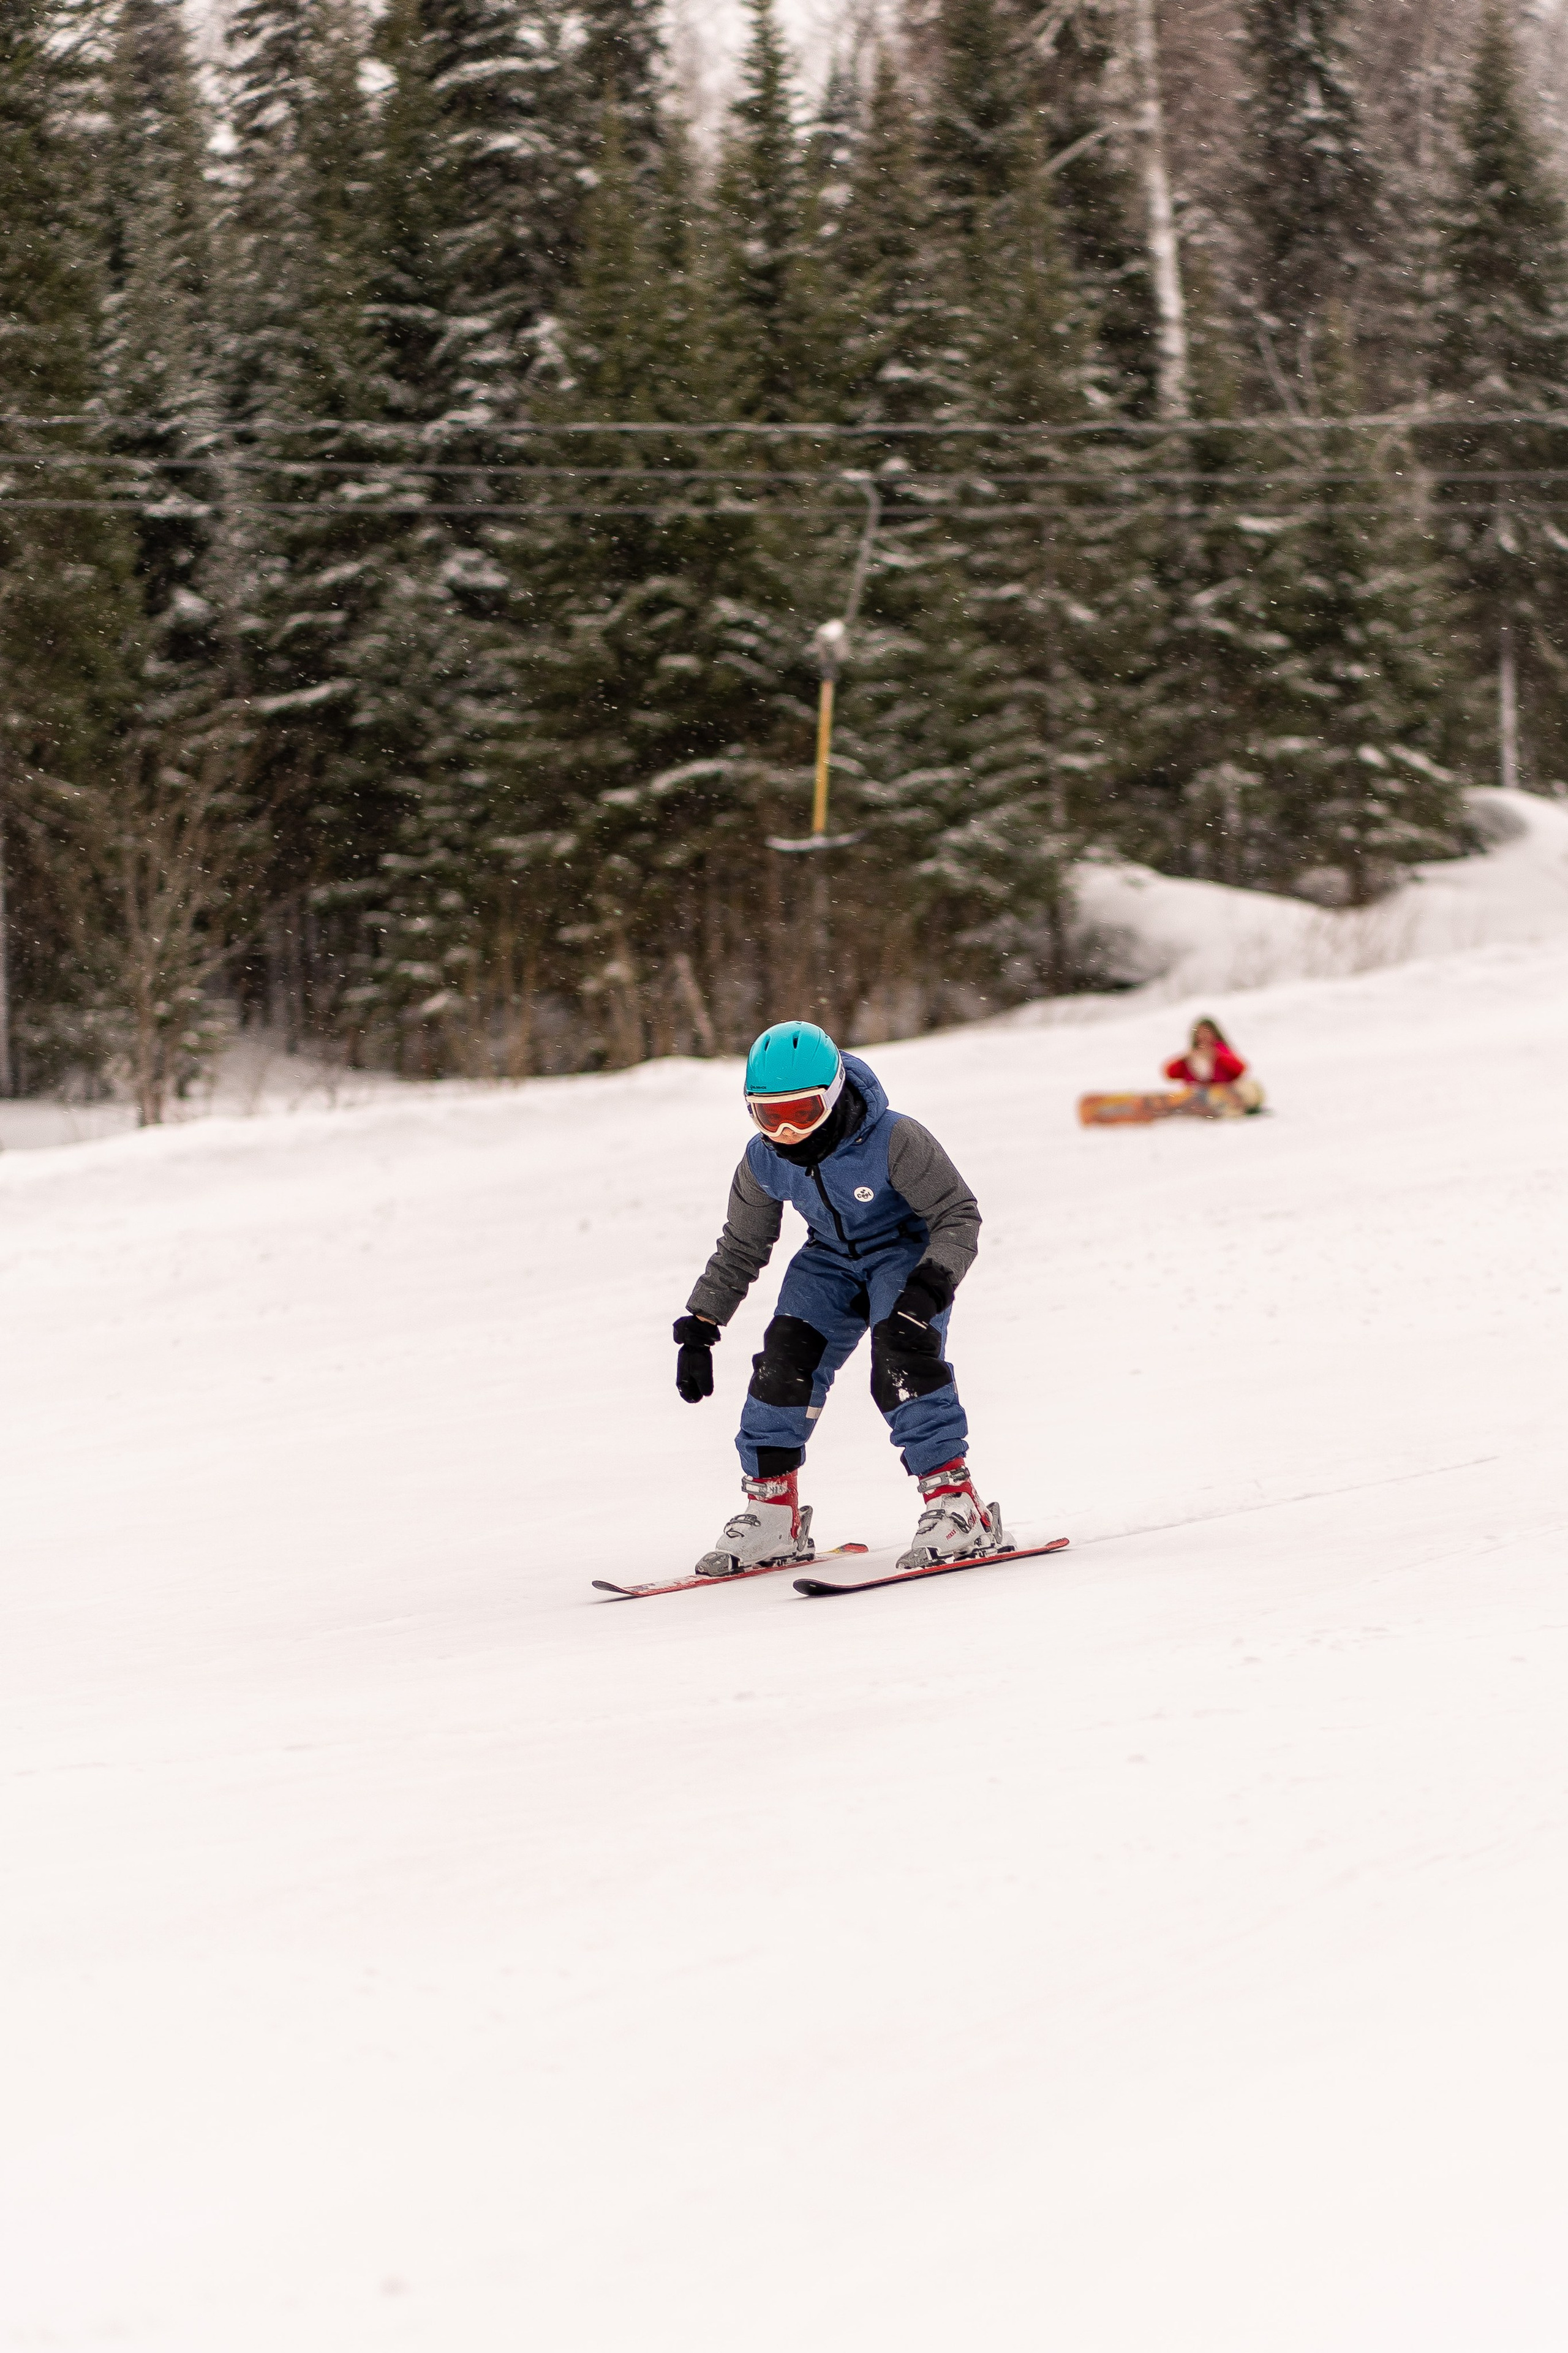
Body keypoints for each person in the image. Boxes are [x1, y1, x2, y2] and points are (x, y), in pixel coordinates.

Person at [674, 1020, 995, 1577]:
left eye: (804, 1111)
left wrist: (931, 1282)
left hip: (904, 1255)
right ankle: (773, 1511)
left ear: (836, 1093)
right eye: (770, 1115)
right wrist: (702, 1322)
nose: (789, 1130)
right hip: (828, 1262)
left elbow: (957, 1214)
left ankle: (956, 1503)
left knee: (901, 1358)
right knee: (783, 1365)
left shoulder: (895, 1138)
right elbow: (743, 1244)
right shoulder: (762, 1160)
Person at [1164, 1016, 1247, 1089]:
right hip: (1195, 1099)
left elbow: (1240, 1069)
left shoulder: (1221, 1050)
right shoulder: (1191, 1054)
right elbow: (1170, 1073)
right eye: (1200, 1033)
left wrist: (1216, 1056)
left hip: (1221, 1097)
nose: (1204, 1036)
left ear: (1215, 1034)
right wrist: (1183, 1058)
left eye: (1207, 1032)